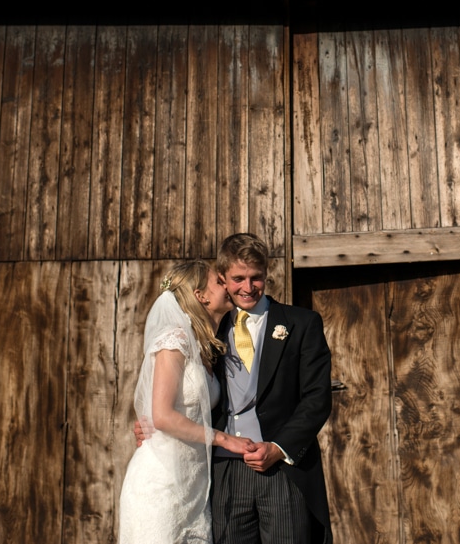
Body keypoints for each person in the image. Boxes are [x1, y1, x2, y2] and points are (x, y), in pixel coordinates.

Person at [118, 261, 255, 544]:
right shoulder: (174, 341)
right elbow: (163, 416)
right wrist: (224, 439)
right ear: (200, 295)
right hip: (160, 486)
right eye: (219, 282)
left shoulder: (204, 346)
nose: (228, 286)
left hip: (193, 486)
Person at [211, 233, 333, 544]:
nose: (248, 288)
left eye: (256, 278)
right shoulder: (209, 327)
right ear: (222, 277)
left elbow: (317, 398)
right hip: (223, 469)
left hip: (282, 470)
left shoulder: (302, 323)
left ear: (266, 275)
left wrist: (278, 448)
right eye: (238, 278)